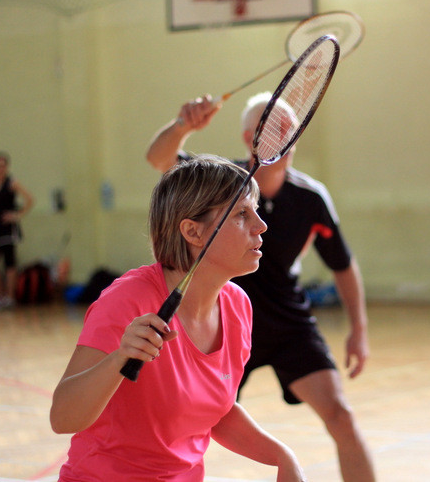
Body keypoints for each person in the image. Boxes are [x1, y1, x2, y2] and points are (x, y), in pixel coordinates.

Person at [146, 94, 376, 482]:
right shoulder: (219, 187)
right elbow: (160, 159)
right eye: (276, 127)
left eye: (293, 128)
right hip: (222, 323)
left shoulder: (311, 198)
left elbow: (343, 265)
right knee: (185, 425)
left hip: (288, 321)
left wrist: (359, 330)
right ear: (250, 137)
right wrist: (184, 124)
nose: (289, 135)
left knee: (341, 415)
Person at [50, 155, 305, 481]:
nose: (261, 224)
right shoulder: (127, 300)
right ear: (192, 232)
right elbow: (63, 417)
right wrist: (119, 358)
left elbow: (214, 413)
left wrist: (283, 457)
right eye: (242, 213)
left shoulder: (237, 306)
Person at [0, 151, 34, 311]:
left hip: (8, 229)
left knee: (9, 262)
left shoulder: (12, 182)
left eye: (3, 165)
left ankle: (10, 297)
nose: (1, 168)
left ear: (7, 166)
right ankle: (2, 295)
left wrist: (17, 215)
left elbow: (29, 199)